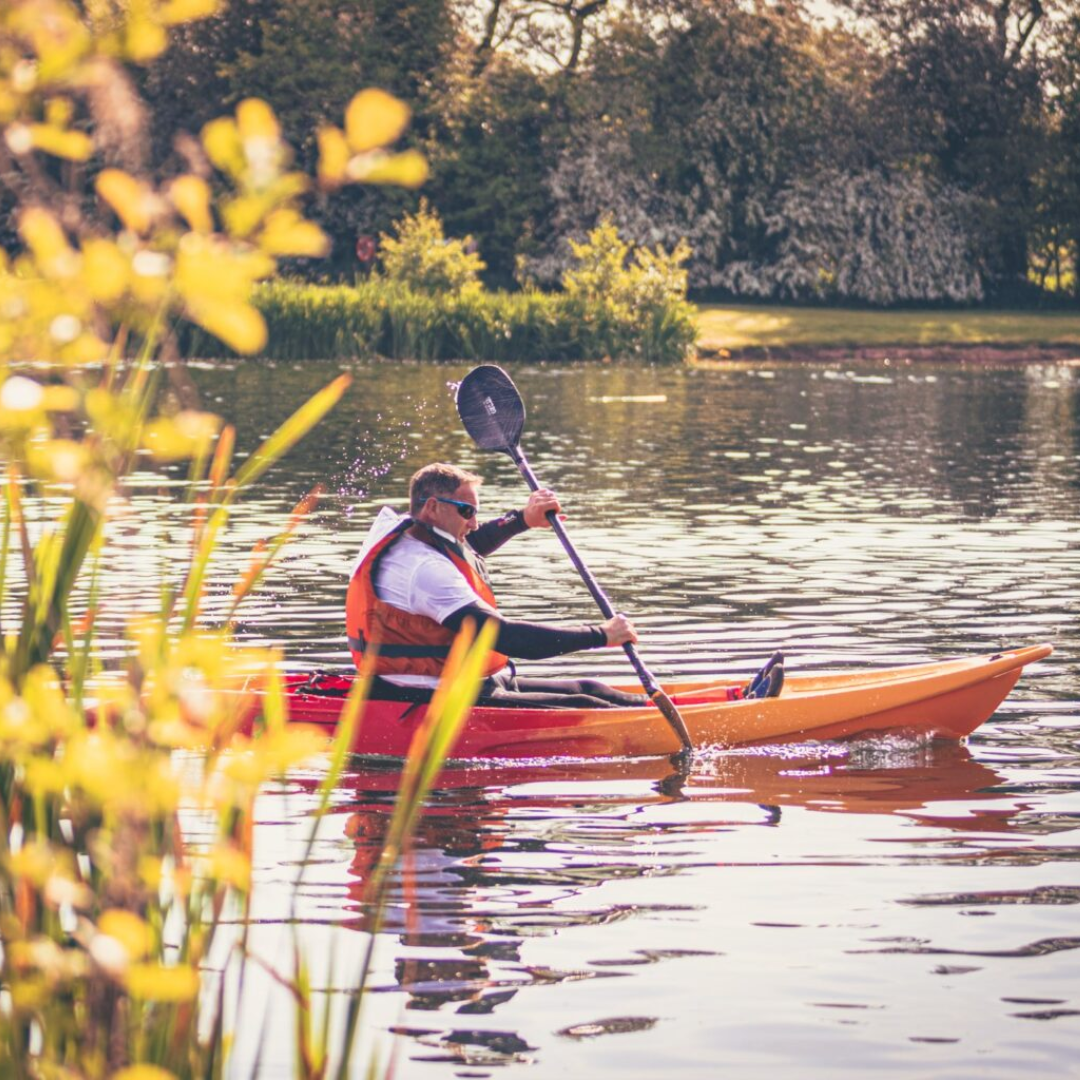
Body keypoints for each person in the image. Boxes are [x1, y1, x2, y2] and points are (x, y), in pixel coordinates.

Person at [346, 462, 783, 708]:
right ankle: (735, 711)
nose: (473, 521)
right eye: (466, 510)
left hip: (469, 682)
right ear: (433, 507)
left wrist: (522, 519)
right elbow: (502, 635)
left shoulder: (414, 534)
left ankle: (735, 698)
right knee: (587, 706)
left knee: (591, 689)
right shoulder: (423, 570)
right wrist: (600, 636)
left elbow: (469, 546)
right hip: (430, 698)